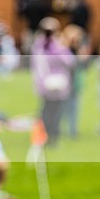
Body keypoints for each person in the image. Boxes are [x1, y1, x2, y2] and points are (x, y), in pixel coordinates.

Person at [30, 17, 75, 146]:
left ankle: (49, 135)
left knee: (48, 110)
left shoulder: (39, 45)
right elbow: (69, 61)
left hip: (50, 83)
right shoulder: (53, 45)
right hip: (55, 84)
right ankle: (51, 136)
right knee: (53, 111)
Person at [60, 24, 92, 139]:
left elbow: (85, 67)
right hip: (64, 82)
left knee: (74, 106)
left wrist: (84, 58)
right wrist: (79, 59)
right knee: (62, 107)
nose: (77, 38)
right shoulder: (63, 48)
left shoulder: (79, 48)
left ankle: (72, 130)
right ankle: (59, 129)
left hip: (75, 82)